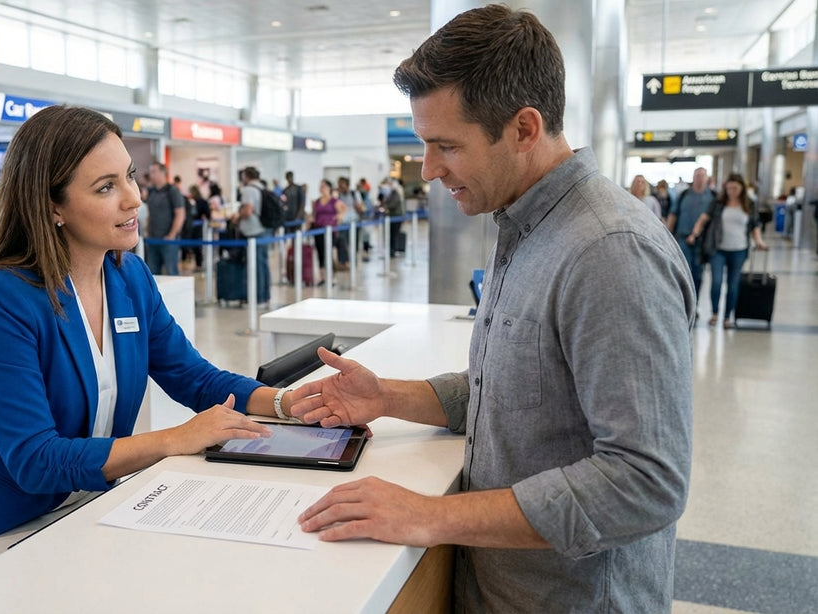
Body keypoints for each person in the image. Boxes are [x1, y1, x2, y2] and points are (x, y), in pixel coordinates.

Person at [288, 6, 695, 612]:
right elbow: (517, 391)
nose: (427, 170)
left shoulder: (610, 253)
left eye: (446, 145)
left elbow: (643, 482)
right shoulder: (524, 223)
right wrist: (390, 398)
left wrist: (431, 515)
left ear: (525, 129)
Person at [0, 105, 293, 585]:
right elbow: (35, 459)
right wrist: (173, 440)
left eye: (129, 176)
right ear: (52, 206)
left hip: (67, 520)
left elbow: (194, 377)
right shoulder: (1, 299)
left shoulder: (128, 276)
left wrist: (291, 404)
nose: (133, 199)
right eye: (106, 187)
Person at [690, 173, 768, 328]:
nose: (732, 191)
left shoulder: (749, 204)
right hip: (718, 249)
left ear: (742, 188)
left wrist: (759, 241)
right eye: (729, 188)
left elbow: (754, 225)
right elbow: (703, 218)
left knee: (733, 285)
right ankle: (714, 313)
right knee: (716, 282)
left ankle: (727, 317)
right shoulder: (718, 202)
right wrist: (695, 233)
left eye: (735, 188)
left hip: (739, 250)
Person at [667, 167, 716, 303]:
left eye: (702, 175)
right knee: (683, 272)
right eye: (697, 175)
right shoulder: (684, 195)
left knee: (698, 274)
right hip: (683, 238)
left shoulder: (712, 197)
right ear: (693, 178)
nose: (700, 178)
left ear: (707, 178)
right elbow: (673, 214)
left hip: (702, 242)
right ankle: (683, 303)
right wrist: (667, 235)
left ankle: (695, 302)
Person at [235, 166, 270, 304]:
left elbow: (248, 210)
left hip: (253, 231)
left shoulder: (249, 190)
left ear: (246, 176)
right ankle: (264, 294)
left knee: (256, 266)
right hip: (264, 230)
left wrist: (237, 218)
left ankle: (257, 296)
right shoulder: (262, 187)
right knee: (263, 264)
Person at [144, 161, 185, 276]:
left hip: (168, 240)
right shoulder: (151, 192)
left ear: (163, 173)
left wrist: (172, 234)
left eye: (154, 171)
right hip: (153, 240)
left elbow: (180, 213)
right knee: (152, 273)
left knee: (171, 271)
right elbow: (149, 214)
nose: (151, 174)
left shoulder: (172, 191)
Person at [308, 179, 347, 276]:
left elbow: (344, 208)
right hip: (318, 229)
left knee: (328, 252)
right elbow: (314, 214)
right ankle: (322, 275)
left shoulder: (334, 201)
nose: (322, 189)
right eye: (321, 187)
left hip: (330, 230)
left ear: (329, 188)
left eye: (324, 187)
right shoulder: (316, 202)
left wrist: (339, 216)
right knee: (320, 252)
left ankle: (331, 275)